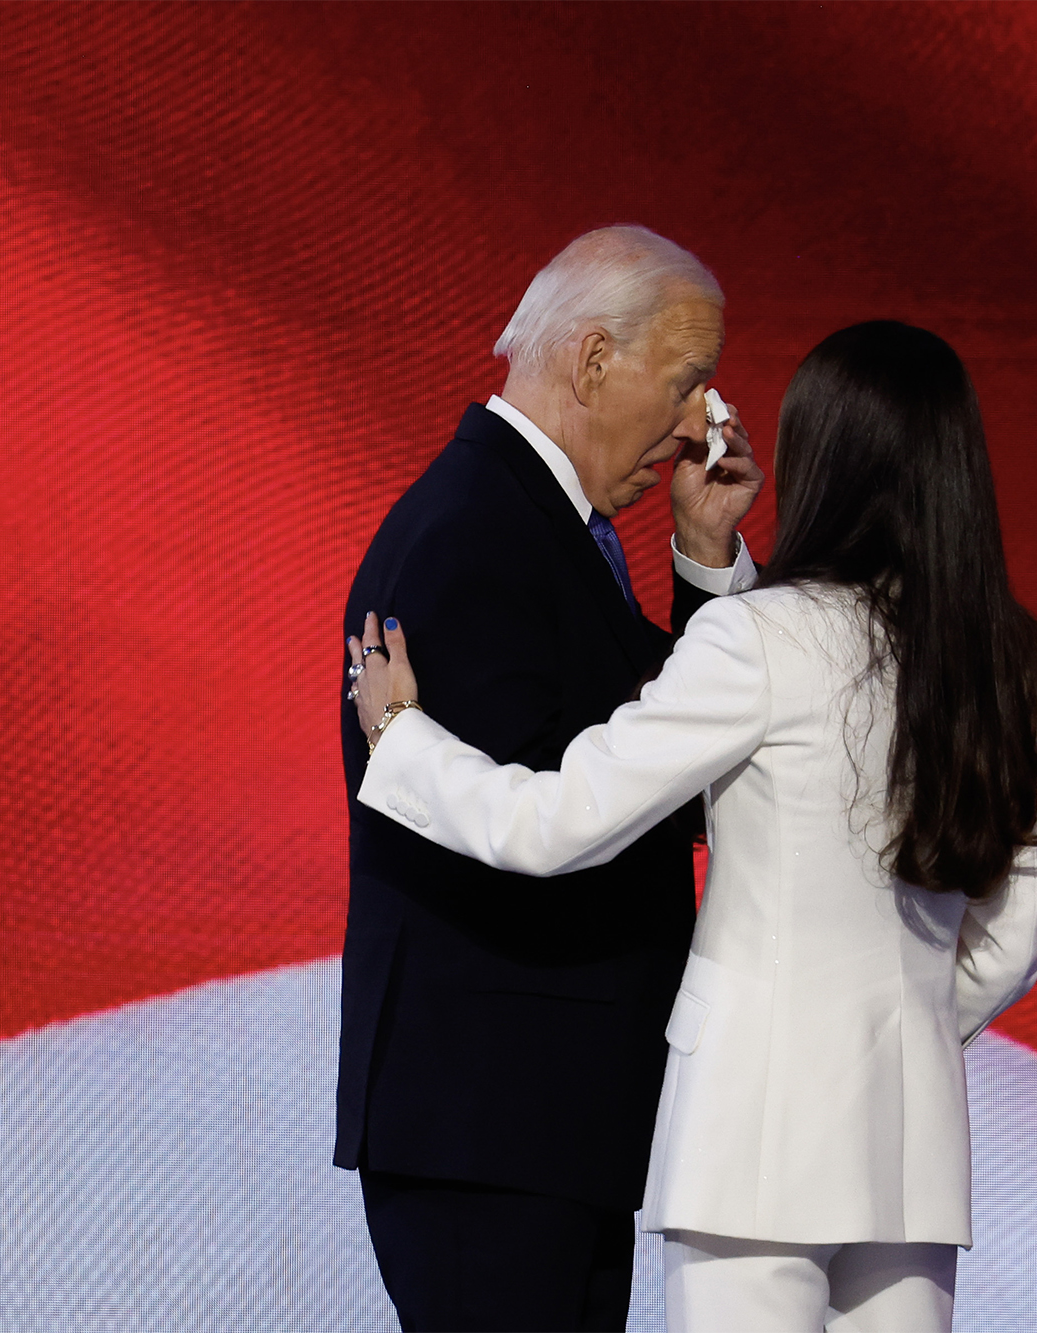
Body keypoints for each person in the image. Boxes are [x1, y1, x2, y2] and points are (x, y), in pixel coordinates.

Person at [347, 321, 1037, 1333]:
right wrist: (888, 1034)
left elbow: (560, 821)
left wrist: (401, 739)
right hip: (911, 1147)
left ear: (823, 459)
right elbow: (1007, 942)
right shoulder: (1016, 666)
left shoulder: (762, 637)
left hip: (748, 1140)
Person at [335, 226, 764, 1332]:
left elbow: (663, 742)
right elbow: (573, 798)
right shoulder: (474, 533)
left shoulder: (549, 528)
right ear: (588, 362)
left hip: (548, 1120)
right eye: (681, 387)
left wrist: (705, 563)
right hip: (496, 1121)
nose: (692, 428)